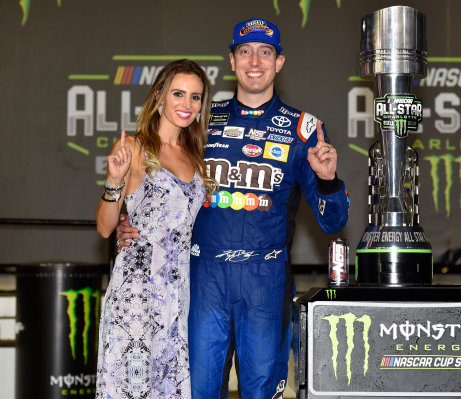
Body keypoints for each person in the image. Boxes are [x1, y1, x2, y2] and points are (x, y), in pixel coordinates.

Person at [117, 17, 349, 399]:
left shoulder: (304, 130)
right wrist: (131, 219)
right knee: (199, 392)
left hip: (265, 279)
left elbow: (333, 222)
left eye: (265, 52)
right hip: (203, 278)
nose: (254, 61)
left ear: (279, 62)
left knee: (260, 392)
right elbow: (158, 178)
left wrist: (327, 180)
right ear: (232, 60)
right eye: (245, 51)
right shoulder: (201, 121)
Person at [95, 59, 215, 399]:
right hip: (136, 295)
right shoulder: (133, 148)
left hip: (179, 295)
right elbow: (105, 227)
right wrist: (114, 182)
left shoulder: (196, 155)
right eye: (178, 93)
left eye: (195, 97)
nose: (186, 104)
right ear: (160, 96)